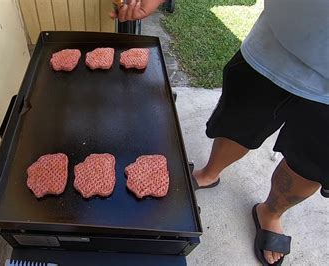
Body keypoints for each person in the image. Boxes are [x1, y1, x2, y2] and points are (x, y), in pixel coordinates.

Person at [113, 0, 328, 265]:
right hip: (275, 49)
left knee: (312, 164)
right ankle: (209, 174)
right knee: (238, 124)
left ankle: (271, 213)